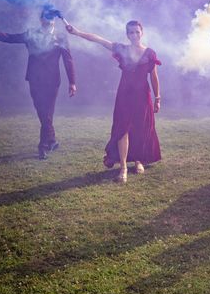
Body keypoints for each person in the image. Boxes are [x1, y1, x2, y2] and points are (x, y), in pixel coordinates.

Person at [65, 20, 161, 183]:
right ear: (127, 34)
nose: (134, 35)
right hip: (124, 94)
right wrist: (77, 32)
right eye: (131, 32)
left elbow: (154, 77)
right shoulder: (121, 49)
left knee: (140, 127)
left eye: (137, 32)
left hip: (142, 96)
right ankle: (123, 167)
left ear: (142, 33)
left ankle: (138, 161)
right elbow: (98, 39)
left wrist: (157, 98)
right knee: (122, 129)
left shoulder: (150, 53)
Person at [0, 8, 76, 159]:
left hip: (52, 82)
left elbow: (68, 60)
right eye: (45, 18)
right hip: (34, 80)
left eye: (50, 18)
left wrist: (72, 82)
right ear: (41, 20)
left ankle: (43, 147)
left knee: (47, 112)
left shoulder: (61, 37)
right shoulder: (31, 34)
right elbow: (9, 37)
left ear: (54, 21)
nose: (48, 21)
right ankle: (52, 140)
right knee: (42, 112)